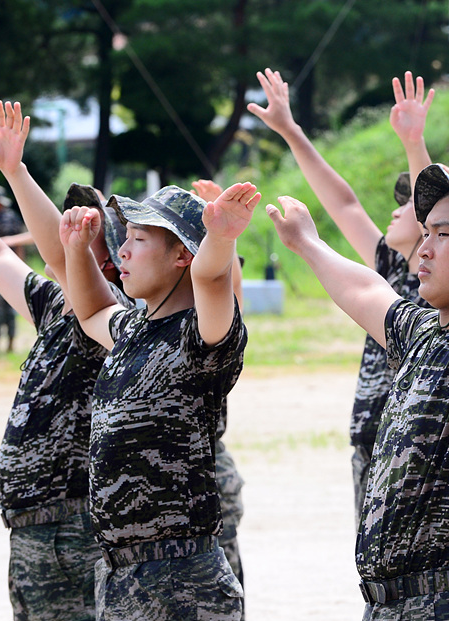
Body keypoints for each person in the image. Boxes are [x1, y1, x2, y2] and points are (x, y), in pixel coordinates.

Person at [268, 154, 449, 620]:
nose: (424, 249)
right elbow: (366, 292)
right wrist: (308, 244)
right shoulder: (422, 334)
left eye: (443, 234)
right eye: (424, 234)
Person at [59, 181, 261, 620]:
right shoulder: (132, 330)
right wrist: (76, 251)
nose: (122, 253)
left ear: (182, 256)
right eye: (124, 238)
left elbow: (209, 279)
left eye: (139, 239)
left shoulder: (199, 337)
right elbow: (92, 310)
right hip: (120, 573)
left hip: (180, 578)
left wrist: (221, 237)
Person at [246, 67, 433, 524]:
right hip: (368, 443)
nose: (395, 206)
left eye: (408, 201)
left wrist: (414, 144)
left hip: (411, 447)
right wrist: (291, 131)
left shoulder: (441, 286)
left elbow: (437, 202)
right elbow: (345, 204)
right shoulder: (390, 267)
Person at [0, 101, 128, 621]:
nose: (72, 234)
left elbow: (56, 256)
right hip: (32, 527)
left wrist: (16, 171)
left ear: (113, 262)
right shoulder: (56, 306)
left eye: (89, 235)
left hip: (74, 525)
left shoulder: (118, 316)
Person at [189, 177, 250, 593]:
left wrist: (223, 237)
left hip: (208, 472)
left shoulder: (207, 328)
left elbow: (230, 290)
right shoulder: (136, 320)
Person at [0, 182, 26, 353]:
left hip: (3, 270)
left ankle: (6, 343)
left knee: (4, 307)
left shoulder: (6, 218)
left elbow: (15, 247)